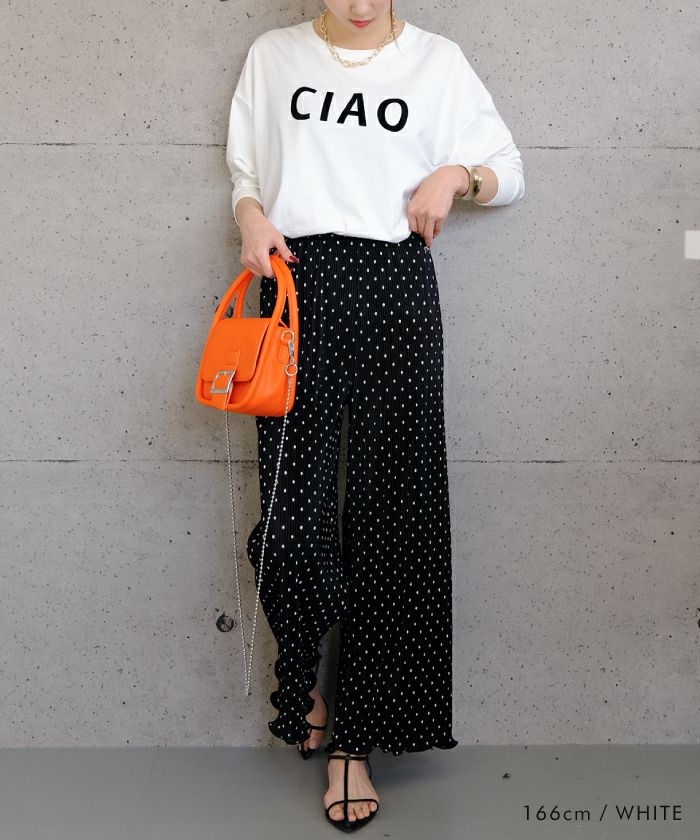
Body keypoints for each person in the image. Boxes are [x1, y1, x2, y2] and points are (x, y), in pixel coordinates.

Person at [225, 1, 524, 831]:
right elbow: (247, 170)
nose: (359, 4)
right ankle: (302, 681)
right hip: (295, 286)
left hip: (396, 287)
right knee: (291, 518)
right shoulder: (274, 55)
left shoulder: (438, 61)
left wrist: (455, 175)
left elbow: (509, 170)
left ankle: (356, 743)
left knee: (396, 515)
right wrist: (250, 217)